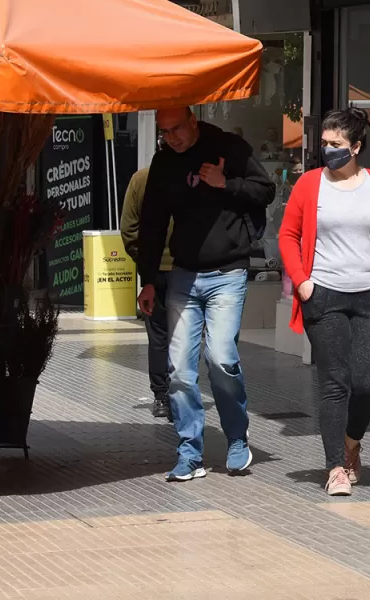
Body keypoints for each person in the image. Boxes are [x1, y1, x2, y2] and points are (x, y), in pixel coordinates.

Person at [136, 107, 276, 482]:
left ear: (193, 120)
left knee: (221, 359)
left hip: (227, 272)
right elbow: (151, 222)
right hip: (183, 274)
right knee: (179, 370)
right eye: (164, 132)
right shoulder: (164, 162)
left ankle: (236, 437)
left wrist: (224, 183)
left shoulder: (228, 147)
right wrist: (147, 279)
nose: (172, 138)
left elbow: (265, 190)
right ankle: (189, 451)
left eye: (177, 129)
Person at [278, 109, 370, 496]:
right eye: (325, 144)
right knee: (334, 383)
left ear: (357, 147)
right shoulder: (309, 185)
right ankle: (334, 466)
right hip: (325, 296)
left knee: (367, 384)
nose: (327, 151)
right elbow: (288, 235)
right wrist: (302, 283)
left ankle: (352, 443)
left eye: (336, 145)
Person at [121, 156, 174, 420]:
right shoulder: (191, 178)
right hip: (186, 269)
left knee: (158, 336)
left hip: (156, 271)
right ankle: (178, 394)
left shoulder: (140, 179)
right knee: (184, 336)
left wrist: (145, 264)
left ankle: (162, 396)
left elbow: (128, 230)